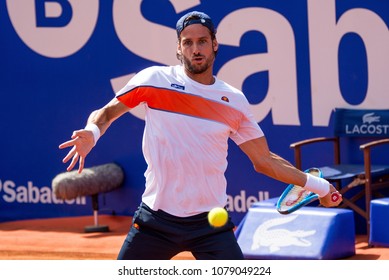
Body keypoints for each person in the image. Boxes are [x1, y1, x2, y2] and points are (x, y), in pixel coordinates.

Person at [59, 11, 342, 260]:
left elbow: (264, 160)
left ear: (214, 44)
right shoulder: (154, 80)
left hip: (209, 224)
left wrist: (320, 187)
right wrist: (92, 133)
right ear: (179, 49)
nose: (196, 48)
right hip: (155, 220)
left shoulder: (233, 100)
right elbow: (107, 112)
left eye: (202, 41)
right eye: (188, 42)